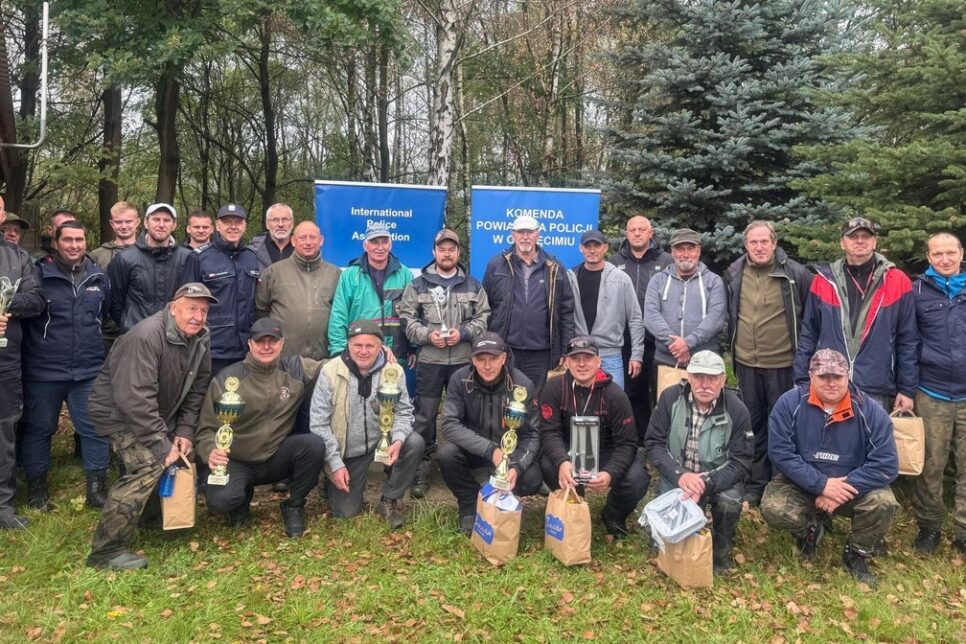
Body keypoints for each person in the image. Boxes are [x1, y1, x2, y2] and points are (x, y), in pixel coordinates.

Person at [86, 283, 215, 569]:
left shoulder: (202, 338)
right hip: (118, 413)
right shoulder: (145, 336)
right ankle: (106, 551)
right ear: (173, 307)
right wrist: (161, 444)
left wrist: (184, 432)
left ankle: (153, 519)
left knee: (180, 455)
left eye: (204, 311)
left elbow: (197, 391)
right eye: (192, 308)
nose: (198, 316)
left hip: (156, 413)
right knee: (149, 464)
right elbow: (134, 398)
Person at [762, 349, 899, 586]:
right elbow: (780, 452)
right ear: (810, 376)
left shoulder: (871, 411)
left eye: (837, 376)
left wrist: (840, 489)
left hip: (850, 488)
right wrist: (821, 485)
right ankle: (809, 530)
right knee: (772, 507)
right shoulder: (789, 403)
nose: (831, 383)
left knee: (883, 503)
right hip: (802, 483)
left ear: (848, 376)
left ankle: (856, 553)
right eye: (824, 376)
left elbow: (886, 464)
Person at [195, 318, 326, 538]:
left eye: (272, 341)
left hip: (276, 458)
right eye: (260, 341)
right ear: (250, 344)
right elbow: (206, 430)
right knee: (221, 501)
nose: (266, 346)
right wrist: (211, 452)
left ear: (282, 343)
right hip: (237, 460)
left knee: (313, 445)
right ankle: (241, 499)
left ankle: (294, 506)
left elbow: (333, 366)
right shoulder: (227, 379)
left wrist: (380, 355)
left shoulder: (296, 369)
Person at [20, 221, 111, 510]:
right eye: (68, 240)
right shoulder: (39, 275)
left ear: (87, 242)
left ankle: (96, 489)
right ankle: (37, 490)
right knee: (40, 429)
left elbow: (106, 313)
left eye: (79, 240)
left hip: (87, 370)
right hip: (44, 370)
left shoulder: (98, 276)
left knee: (94, 429)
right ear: (56, 242)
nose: (74, 245)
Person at [722, 221, 813, 505]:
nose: (759, 247)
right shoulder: (735, 273)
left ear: (774, 244)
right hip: (747, 364)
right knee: (753, 424)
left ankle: (782, 482)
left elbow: (811, 319)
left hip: (784, 364)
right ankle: (756, 482)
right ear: (745, 246)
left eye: (764, 242)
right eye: (753, 242)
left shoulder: (796, 274)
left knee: (783, 425)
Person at [397, 228, 490, 498]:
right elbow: (406, 318)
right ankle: (421, 466)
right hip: (430, 360)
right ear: (434, 252)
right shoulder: (418, 285)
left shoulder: (473, 285)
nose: (446, 253)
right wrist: (427, 336)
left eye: (451, 249)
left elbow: (483, 317)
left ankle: (467, 463)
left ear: (458, 253)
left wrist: (463, 334)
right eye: (442, 249)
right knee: (424, 416)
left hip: (463, 362)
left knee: (467, 414)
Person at [793, 216, 917, 413]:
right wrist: (801, 380)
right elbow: (809, 334)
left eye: (865, 237)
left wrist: (907, 389)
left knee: (873, 443)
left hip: (875, 385)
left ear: (875, 242)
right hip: (829, 381)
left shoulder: (897, 281)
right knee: (831, 443)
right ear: (843, 243)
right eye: (853, 237)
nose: (860, 241)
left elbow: (908, 339)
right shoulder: (823, 281)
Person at [644, 350, 753, 573]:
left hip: (717, 479)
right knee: (658, 543)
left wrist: (705, 482)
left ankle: (720, 550)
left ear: (723, 380)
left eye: (712, 378)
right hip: (678, 479)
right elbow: (653, 443)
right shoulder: (670, 398)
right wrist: (679, 475)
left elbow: (741, 462)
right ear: (689, 377)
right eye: (698, 377)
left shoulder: (737, 410)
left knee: (729, 502)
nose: (705, 384)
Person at [310, 320, 423, 529]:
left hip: (383, 440)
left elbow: (405, 412)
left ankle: (390, 499)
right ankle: (328, 477)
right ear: (348, 345)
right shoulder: (329, 371)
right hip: (348, 450)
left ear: (381, 346)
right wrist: (334, 464)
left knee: (414, 442)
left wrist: (398, 440)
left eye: (370, 346)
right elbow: (318, 424)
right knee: (346, 513)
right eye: (357, 346)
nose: (363, 351)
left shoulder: (394, 371)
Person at [538, 336, 647, 538]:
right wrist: (562, 461)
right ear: (566, 362)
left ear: (598, 362)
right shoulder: (554, 388)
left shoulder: (616, 395)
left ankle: (613, 514)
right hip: (568, 449)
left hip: (606, 452)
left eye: (587, 358)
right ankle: (576, 508)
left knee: (637, 478)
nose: (581, 364)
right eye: (575, 358)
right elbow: (549, 432)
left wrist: (610, 473)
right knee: (547, 463)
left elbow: (627, 443)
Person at [440, 332, 541, 534]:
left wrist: (517, 467)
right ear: (472, 360)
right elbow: (449, 424)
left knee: (532, 479)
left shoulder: (522, 385)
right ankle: (469, 505)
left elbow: (532, 434)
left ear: (504, 358)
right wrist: (490, 450)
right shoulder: (459, 379)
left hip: (509, 455)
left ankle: (505, 504)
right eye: (481, 359)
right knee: (446, 454)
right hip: (476, 451)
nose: (487, 366)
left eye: (493, 359)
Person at [911, 232, 966, 555]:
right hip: (931, 392)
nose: (944, 259)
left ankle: (963, 530)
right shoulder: (918, 292)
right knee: (930, 465)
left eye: (950, 253)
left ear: (961, 253)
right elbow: (907, 342)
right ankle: (929, 526)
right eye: (937, 254)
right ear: (928, 257)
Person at [482, 214, 575, 392]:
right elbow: (485, 307)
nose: (525, 236)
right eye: (520, 232)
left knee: (538, 402)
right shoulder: (496, 265)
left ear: (537, 234)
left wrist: (566, 349)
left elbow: (566, 311)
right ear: (513, 235)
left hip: (542, 352)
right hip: (507, 349)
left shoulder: (554, 267)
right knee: (505, 398)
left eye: (529, 232)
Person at [0, 195, 45, 530]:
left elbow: (37, 299)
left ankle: (3, 506)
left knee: (5, 430)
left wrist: (7, 306)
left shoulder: (17, 257)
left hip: (6, 360)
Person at [180, 203, 260, 375]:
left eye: (237, 222)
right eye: (227, 222)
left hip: (247, 348)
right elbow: (185, 303)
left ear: (245, 226)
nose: (232, 227)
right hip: (212, 348)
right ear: (217, 226)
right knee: (208, 399)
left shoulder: (251, 258)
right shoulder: (199, 258)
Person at [612, 215, 672, 441]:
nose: (637, 233)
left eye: (641, 229)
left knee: (661, 391)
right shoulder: (615, 261)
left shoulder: (666, 261)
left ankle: (659, 441)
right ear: (626, 233)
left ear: (651, 233)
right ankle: (637, 441)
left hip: (659, 339)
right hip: (626, 338)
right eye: (632, 230)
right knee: (633, 391)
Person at [567, 229, 644, 389]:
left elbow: (635, 319)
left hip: (610, 357)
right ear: (581, 248)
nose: (592, 250)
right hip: (579, 355)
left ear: (605, 248)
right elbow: (561, 316)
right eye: (588, 246)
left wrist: (637, 354)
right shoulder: (570, 277)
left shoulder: (621, 279)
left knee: (613, 407)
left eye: (597, 245)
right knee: (578, 407)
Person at [328, 222, 412, 364]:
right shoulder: (350, 276)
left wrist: (414, 348)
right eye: (374, 242)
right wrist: (339, 351)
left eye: (384, 242)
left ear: (390, 245)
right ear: (365, 245)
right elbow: (339, 316)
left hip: (396, 357)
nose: (380, 247)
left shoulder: (405, 274)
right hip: (360, 355)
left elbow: (413, 313)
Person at [255, 221, 340, 360]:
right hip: (284, 359)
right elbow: (260, 312)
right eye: (302, 238)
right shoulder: (273, 272)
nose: (308, 242)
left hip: (324, 360)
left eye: (312, 237)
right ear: (293, 241)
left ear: (321, 240)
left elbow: (342, 316)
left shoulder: (335, 274)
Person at [643, 228, 726, 369]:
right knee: (666, 393)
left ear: (699, 251)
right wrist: (675, 346)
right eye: (680, 249)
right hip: (665, 360)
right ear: (672, 252)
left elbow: (716, 317)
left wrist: (688, 343)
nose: (686, 254)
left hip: (705, 360)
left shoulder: (714, 281)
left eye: (691, 249)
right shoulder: (657, 280)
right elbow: (651, 316)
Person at [108, 202, 191, 333]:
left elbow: (190, 299)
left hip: (175, 337)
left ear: (174, 225)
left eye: (167, 220)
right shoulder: (124, 259)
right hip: (136, 338)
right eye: (156, 219)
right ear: (146, 223)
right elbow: (115, 303)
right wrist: (129, 326)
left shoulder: (187, 258)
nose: (161, 225)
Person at [90, 201, 140, 269]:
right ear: (111, 223)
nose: (124, 226)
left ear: (137, 222)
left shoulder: (148, 253)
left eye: (128, 221)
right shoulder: (97, 255)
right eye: (118, 222)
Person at [248, 203, 295, 268]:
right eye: (275, 220)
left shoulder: (304, 249)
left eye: (285, 219)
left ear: (292, 223)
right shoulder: (252, 252)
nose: (280, 224)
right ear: (267, 224)